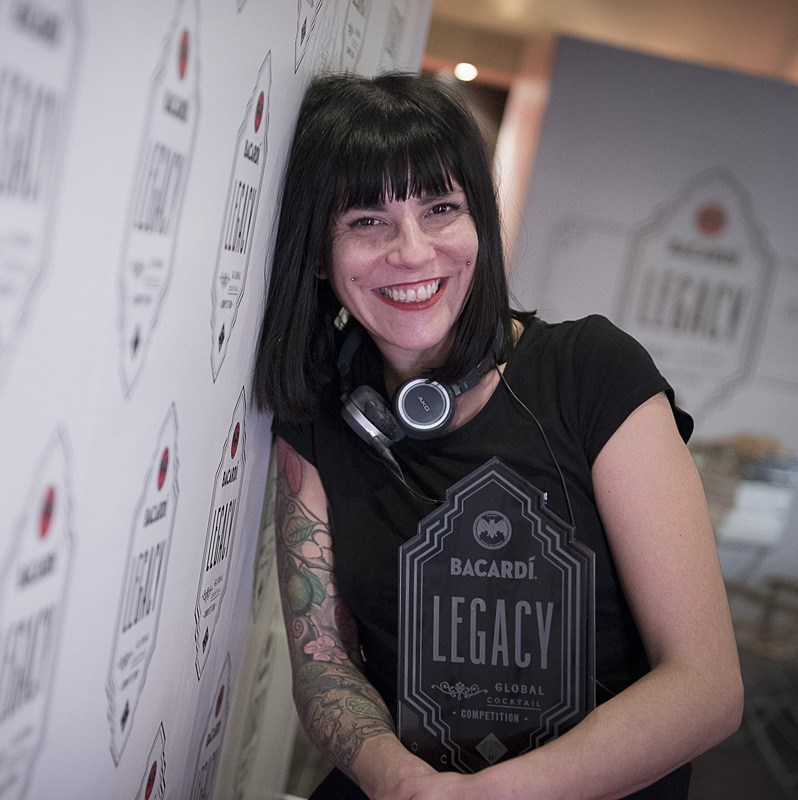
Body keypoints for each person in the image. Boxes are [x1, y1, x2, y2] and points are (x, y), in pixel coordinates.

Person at [253, 71, 742, 800]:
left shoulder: (593, 373)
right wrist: (405, 784)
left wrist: (492, 795)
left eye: (440, 209)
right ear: (320, 256)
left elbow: (707, 688)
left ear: (479, 223)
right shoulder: (320, 416)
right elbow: (324, 662)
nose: (412, 252)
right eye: (367, 221)